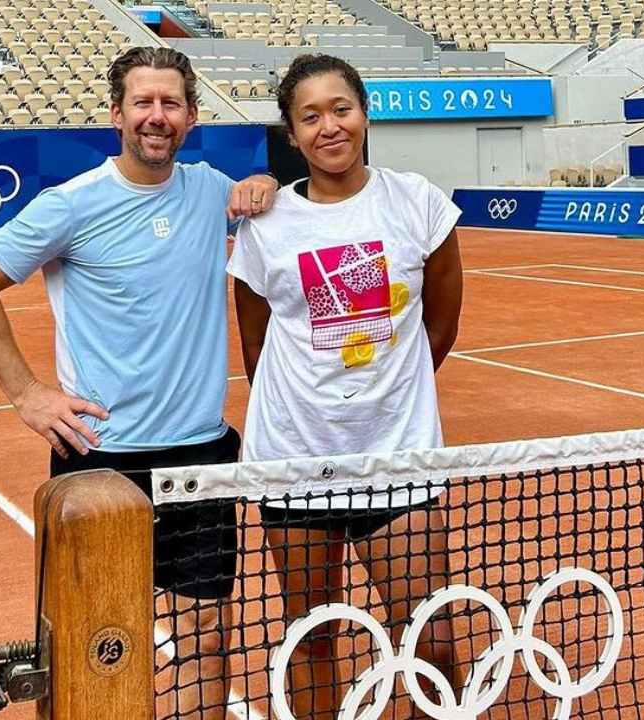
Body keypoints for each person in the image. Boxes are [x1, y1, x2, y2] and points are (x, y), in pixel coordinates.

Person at [0, 47, 278, 720]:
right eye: (144, 103)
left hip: (202, 456)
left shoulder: (213, 189)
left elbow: (264, 189)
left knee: (205, 640)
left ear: (191, 115)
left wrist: (263, 179)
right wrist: (27, 395)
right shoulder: (68, 206)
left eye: (171, 104)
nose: (157, 117)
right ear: (117, 114)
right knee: (97, 646)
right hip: (100, 461)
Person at [227, 54, 465, 720]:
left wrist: (385, 396)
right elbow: (255, 345)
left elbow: (439, 329)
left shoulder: (416, 201)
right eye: (310, 116)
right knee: (316, 636)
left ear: (364, 114)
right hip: (294, 459)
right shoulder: (266, 225)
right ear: (293, 133)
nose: (329, 127)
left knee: (434, 641)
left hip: (397, 458)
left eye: (341, 109)